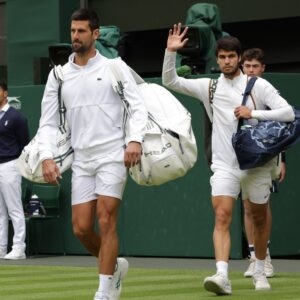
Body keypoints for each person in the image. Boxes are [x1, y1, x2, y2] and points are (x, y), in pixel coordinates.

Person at [162, 23, 295, 294]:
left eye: (231, 57)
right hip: (224, 165)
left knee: (258, 219)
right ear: (217, 59)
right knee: (222, 215)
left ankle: (259, 269)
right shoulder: (208, 88)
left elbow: (289, 114)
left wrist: (253, 114)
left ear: (238, 58)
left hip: (256, 165)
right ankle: (222, 275)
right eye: (222, 57)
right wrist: (170, 52)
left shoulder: (258, 85)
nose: (226, 61)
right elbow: (170, 81)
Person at [37, 8, 147, 300]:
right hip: (82, 160)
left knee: (106, 218)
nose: (75, 36)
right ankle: (114, 266)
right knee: (82, 229)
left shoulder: (115, 67)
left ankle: (104, 290)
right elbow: (47, 123)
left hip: (113, 154)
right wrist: (47, 156)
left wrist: (134, 140)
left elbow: (137, 107)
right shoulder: (58, 76)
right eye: (73, 31)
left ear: (95, 34)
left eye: (81, 31)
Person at [241, 47, 286, 278]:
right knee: (247, 206)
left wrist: (282, 158)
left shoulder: (268, 92)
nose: (251, 71)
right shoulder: (237, 90)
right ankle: (253, 257)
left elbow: (282, 127)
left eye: (255, 67)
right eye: (247, 67)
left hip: (267, 157)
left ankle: (265, 257)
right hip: (243, 157)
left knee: (262, 205)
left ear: (263, 68)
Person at [0, 79, 30, 260]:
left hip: (10, 165)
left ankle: (19, 248)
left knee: (14, 209)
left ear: (5, 93)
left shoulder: (16, 117)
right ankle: (1, 248)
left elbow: (24, 144)